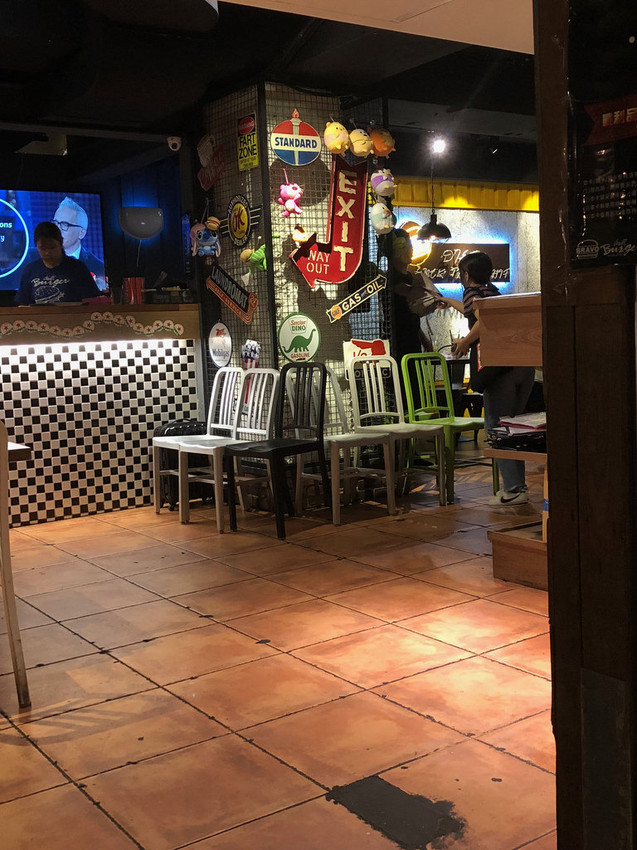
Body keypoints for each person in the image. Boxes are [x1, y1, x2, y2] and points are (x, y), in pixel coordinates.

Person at [439, 250, 535, 506]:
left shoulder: (471, 291)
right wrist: (448, 301)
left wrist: (464, 342)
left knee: (497, 426)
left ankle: (514, 489)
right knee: (513, 427)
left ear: (466, 275)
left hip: (499, 367)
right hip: (522, 365)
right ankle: (518, 486)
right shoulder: (493, 292)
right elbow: (475, 310)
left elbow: (484, 321)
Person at [14, 221, 100, 305]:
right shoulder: (30, 270)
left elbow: (93, 300)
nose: (47, 252)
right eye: (43, 248)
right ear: (36, 246)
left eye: (52, 247)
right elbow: (23, 304)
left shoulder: (78, 268)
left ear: (61, 243)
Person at [52, 196, 106, 286]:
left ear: (81, 233)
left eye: (65, 224)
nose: (57, 230)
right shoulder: (33, 259)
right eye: (55, 223)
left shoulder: (98, 268)